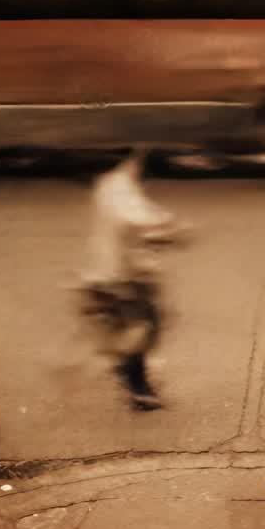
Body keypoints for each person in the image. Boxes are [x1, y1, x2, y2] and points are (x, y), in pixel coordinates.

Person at [79, 153, 167, 410]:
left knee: (140, 324)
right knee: (143, 327)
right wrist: (169, 226)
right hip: (120, 276)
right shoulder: (122, 189)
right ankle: (137, 387)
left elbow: (141, 211)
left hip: (110, 272)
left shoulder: (111, 183)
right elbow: (137, 217)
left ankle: (128, 370)